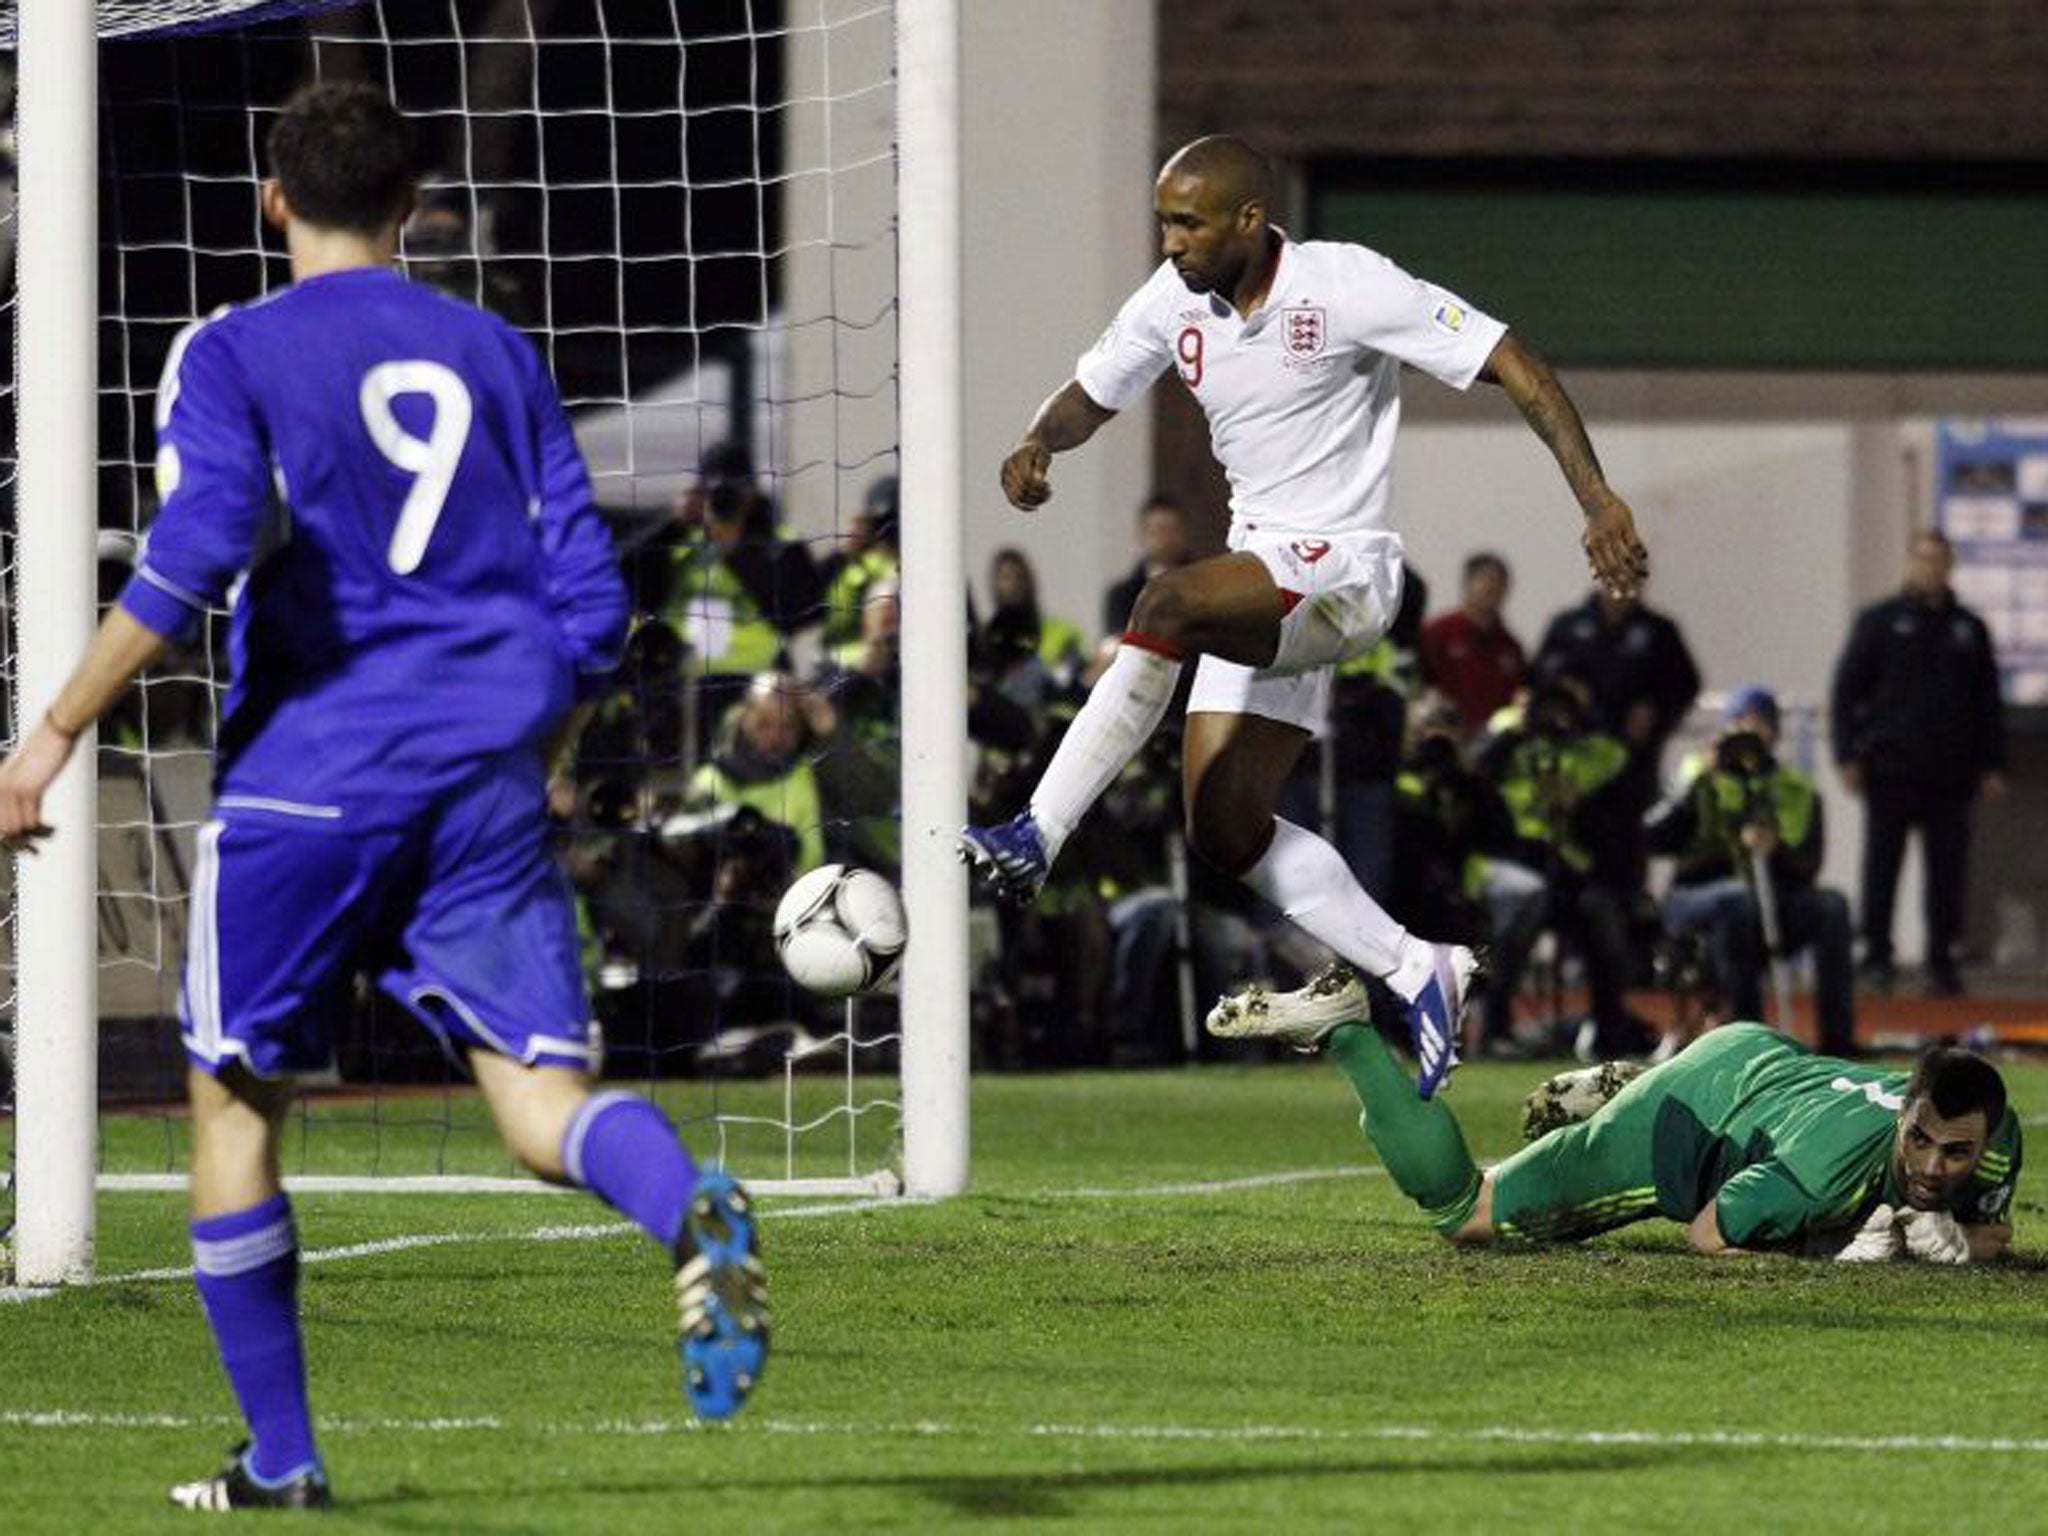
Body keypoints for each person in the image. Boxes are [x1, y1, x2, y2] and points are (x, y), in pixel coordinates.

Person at [0, 84, 767, 1510]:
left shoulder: (228, 351)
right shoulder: (492, 349)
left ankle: (283, 1461)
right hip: (483, 769)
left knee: (231, 1104)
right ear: (414, 210)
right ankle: (690, 1209)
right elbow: (590, 599)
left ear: (272, 200)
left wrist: (51, 733)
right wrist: (536, 738)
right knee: (545, 1112)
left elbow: (205, 540)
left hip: (311, 776)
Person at [957, 135, 1649, 1096]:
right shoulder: (1174, 300)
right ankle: (1420, 968)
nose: (1170, 243)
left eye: (1188, 222)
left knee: (1163, 601)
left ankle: (1037, 831)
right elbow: (1092, 392)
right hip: (1265, 577)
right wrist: (1039, 440)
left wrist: (1599, 501)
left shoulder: (1346, 284)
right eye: (1162, 221)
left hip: (1347, 570)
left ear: (1249, 219)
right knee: (1225, 829)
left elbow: (1516, 362)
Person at [1210, 974, 2019, 1260]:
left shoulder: (1993, 1133)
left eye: (1956, 1153)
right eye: (1919, 1140)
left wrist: (1962, 1244)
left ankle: (1632, 1081)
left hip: (1759, 1058)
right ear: (1904, 1117)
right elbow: (1710, 1232)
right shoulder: (1821, 1174)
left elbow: (1988, 1233)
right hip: (1686, 1124)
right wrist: (1838, 1249)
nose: (1931, 1166)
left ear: (1987, 1139)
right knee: (1467, 1210)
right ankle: (1348, 1029)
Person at [1831, 529, 2008, 996]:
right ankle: (1876, 957)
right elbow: (1847, 692)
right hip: (1890, 769)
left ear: (1950, 567)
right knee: (1882, 867)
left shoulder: (1968, 628)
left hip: (1951, 773)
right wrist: (1848, 754)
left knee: (1947, 873)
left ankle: (1941, 959)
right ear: (1910, 564)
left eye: (1940, 561)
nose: (1931, 569)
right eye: (1923, 560)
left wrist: (1993, 763)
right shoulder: (1880, 622)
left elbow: (1987, 701)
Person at [1647, 685, 1856, 1056]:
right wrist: (1699, 784)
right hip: (1697, 897)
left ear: (1774, 732)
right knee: (1737, 900)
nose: (1749, 734)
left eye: (1760, 724)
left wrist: (1778, 849)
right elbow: (1656, 837)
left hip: (1771, 897)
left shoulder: (1791, 786)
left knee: (1832, 906)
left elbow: (1808, 863)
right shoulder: (1698, 773)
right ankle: (1749, 1039)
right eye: (1741, 724)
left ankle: (1838, 1041)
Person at [1419, 550, 1526, 735]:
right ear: (1467, 584)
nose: (1490, 588)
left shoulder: (1510, 647)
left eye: (1498, 582)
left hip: (1494, 744)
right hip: (1446, 736)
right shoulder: (1439, 633)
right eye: (1484, 580)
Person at [1103, 493, 1195, 635]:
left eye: (1174, 530)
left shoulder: (1202, 585)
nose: (1167, 539)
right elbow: (1118, 639)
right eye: (1159, 530)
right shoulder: (1122, 595)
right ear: (1142, 535)